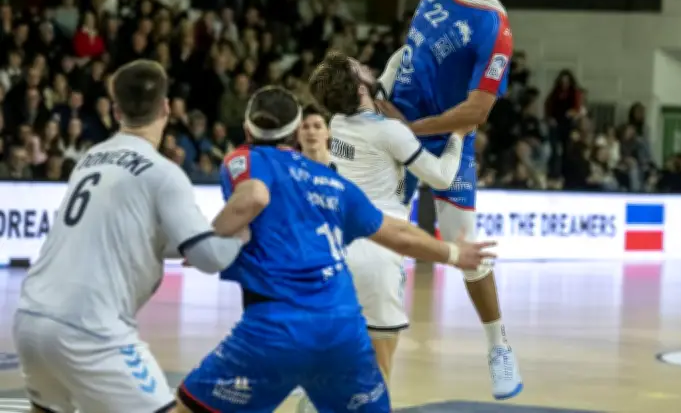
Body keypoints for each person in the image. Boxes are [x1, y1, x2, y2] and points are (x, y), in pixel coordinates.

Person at [175, 86, 496, 413]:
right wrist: (455, 254)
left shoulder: (245, 158)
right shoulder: (335, 182)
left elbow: (254, 196)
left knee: (188, 407)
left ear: (246, 130)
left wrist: (204, 240)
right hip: (343, 330)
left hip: (277, 326)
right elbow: (397, 233)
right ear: (297, 132)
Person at [12, 60, 260, 413]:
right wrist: (239, 236)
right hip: (90, 327)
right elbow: (209, 258)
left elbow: (140, 236)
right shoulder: (163, 173)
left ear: (115, 110)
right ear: (166, 108)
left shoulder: (90, 158)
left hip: (31, 318)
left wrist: (190, 241)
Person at [381, 0, 536, 400]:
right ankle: (354, 369)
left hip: (446, 137)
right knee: (376, 241)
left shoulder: (495, 30)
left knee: (464, 248)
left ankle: (498, 346)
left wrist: (416, 130)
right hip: (392, 126)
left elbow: (477, 109)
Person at [307, 50, 467, 388]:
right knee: (377, 376)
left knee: (330, 370)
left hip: (336, 250)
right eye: (357, 66)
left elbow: (384, 78)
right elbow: (441, 177)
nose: (365, 64)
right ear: (359, 86)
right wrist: (458, 137)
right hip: (380, 250)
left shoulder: (338, 123)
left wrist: (409, 48)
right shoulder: (391, 133)